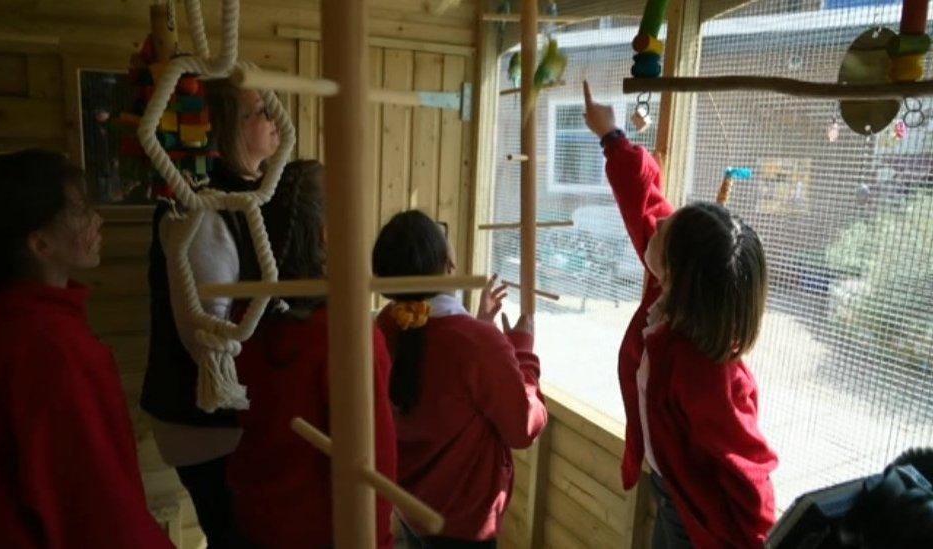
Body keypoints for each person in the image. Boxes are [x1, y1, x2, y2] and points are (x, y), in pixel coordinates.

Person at [583, 80, 778, 549]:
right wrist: (611, 136)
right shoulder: (671, 293)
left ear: (674, 271)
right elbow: (643, 203)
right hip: (668, 485)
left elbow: (751, 478)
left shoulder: (711, 376)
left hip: (704, 523)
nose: (660, 222)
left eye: (666, 232)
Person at [0, 150, 173, 548]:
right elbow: (97, 506)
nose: (98, 219)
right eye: (79, 212)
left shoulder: (20, 325)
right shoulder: (50, 347)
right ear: (39, 243)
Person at [227, 160, 397, 548]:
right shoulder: (347, 339)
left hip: (254, 520)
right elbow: (374, 464)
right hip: (319, 533)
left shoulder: (245, 319)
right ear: (326, 235)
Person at [140, 78, 281, 547]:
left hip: (217, 423)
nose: (274, 119)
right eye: (261, 111)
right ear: (227, 129)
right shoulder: (204, 210)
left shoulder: (245, 198)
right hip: (206, 427)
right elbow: (209, 341)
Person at [372, 210, 547, 548]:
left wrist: (481, 324)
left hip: (409, 506)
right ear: (449, 266)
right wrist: (523, 351)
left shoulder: (384, 327)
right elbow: (523, 428)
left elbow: (437, 378)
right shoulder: (475, 343)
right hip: (465, 523)